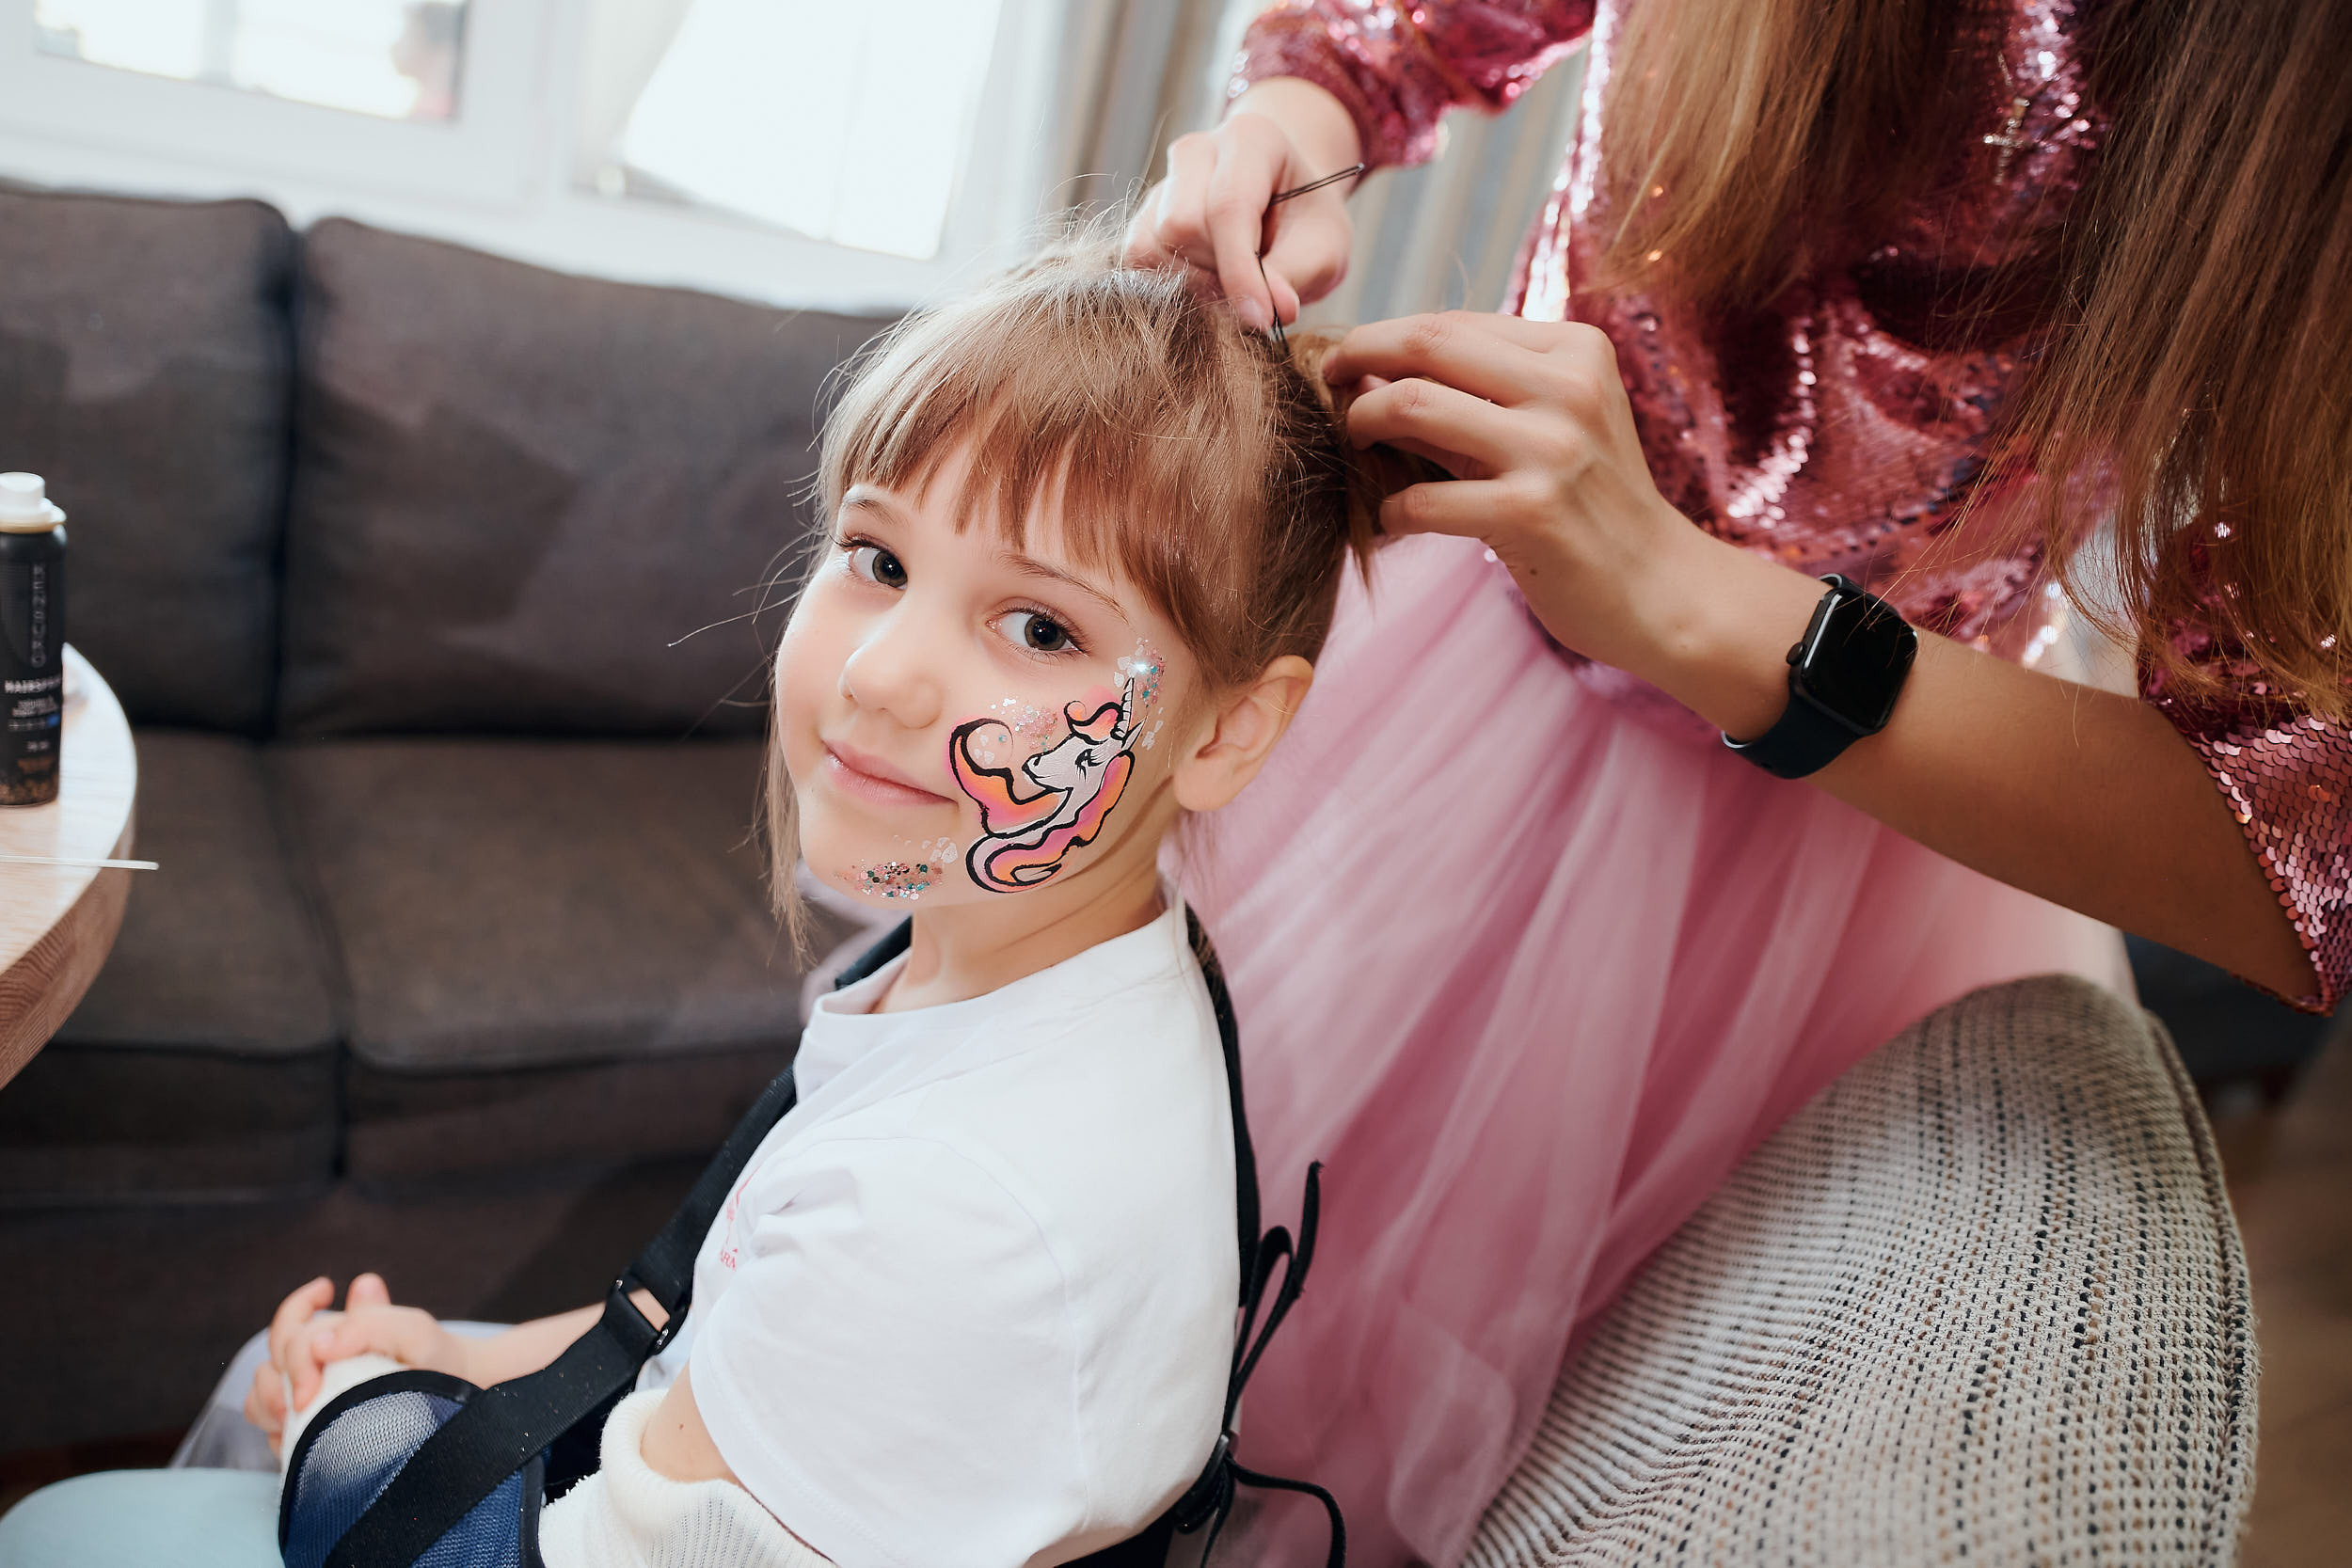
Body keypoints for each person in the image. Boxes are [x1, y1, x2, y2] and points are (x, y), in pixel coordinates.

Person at [1123, 1, 2352, 1562]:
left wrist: (1686, 601)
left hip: (1832, 866)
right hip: (1434, 686)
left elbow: (2292, 857)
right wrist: (1284, 139)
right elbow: (1393, 35)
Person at [0, 242, 1374, 1567]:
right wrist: (454, 1356)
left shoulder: (954, 1216)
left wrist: (336, 1412)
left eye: (1041, 629)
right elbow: (700, 1323)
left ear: (1229, 732)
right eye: (880, 560)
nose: (884, 677)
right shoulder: (1017, 953)